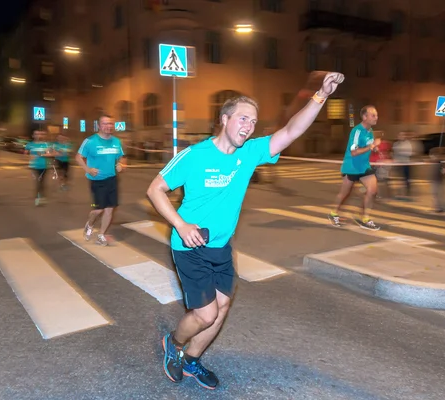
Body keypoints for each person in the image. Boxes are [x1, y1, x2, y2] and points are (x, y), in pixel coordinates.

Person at [146, 72, 345, 390]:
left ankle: (192, 360)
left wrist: (320, 95)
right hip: (190, 246)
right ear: (224, 119)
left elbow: (292, 130)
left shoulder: (249, 152)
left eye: (253, 122)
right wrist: (180, 225)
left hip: (221, 247)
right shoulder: (195, 155)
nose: (249, 126)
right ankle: (174, 342)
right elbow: (155, 188)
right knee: (206, 314)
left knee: (222, 308)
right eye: (242, 118)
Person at [76, 114, 126, 246]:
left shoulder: (116, 141)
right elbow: (78, 157)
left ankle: (101, 234)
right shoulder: (90, 141)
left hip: (112, 179)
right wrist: (88, 169)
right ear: (99, 126)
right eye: (105, 123)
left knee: (110, 209)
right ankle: (90, 223)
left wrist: (121, 164)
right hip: (97, 180)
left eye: (110, 123)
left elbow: (121, 157)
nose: (108, 126)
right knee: (98, 209)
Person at [328, 105, 381, 230]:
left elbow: (369, 146)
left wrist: (375, 148)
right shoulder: (357, 131)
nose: (376, 117)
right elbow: (354, 152)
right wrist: (371, 146)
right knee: (345, 194)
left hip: (364, 166)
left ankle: (364, 218)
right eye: (373, 115)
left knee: (372, 190)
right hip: (352, 166)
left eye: (376, 115)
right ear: (364, 117)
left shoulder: (370, 131)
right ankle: (333, 213)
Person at [25, 130, 55, 206]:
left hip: (44, 166)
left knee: (41, 182)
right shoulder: (29, 144)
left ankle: (40, 197)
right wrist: (28, 157)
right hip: (34, 166)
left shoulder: (46, 145)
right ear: (33, 135)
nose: (38, 135)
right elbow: (25, 154)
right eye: (36, 134)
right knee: (38, 182)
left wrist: (43, 154)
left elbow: (52, 154)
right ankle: (39, 197)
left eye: (39, 134)